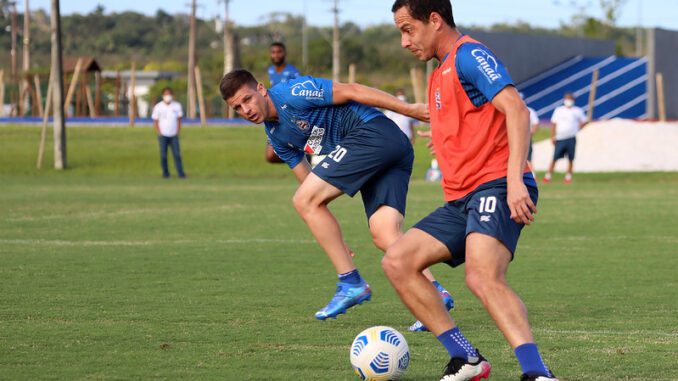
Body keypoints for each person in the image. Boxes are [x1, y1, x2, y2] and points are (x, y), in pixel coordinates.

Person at [385, 1, 558, 380]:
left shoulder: (469, 54)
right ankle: (467, 359)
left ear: (434, 20)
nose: (404, 41)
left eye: (407, 29)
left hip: (496, 184)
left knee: (482, 277)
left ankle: (537, 373)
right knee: (398, 261)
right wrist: (445, 136)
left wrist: (514, 180)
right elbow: (472, 119)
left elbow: (516, 109)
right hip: (462, 198)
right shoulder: (438, 73)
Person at [219, 69, 454, 326]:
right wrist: (330, 236)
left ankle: (350, 282)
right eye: (238, 108)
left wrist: (409, 109)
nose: (246, 109)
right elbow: (308, 182)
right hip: (385, 151)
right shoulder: (276, 137)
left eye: (247, 99)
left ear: (261, 89)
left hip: (373, 134)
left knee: (304, 201)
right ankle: (435, 294)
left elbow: (353, 89)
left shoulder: (292, 92)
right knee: (383, 232)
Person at [265, 42, 302, 163]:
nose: (276, 55)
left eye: (279, 52)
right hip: (275, 118)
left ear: (284, 53)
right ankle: (303, 158)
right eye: (273, 52)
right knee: (270, 156)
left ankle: (305, 160)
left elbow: (301, 92)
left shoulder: (292, 72)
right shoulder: (270, 71)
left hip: (291, 117)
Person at [543, 93, 587, 184]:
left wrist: (577, 128)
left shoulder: (577, 110)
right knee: (555, 158)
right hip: (560, 137)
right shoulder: (559, 110)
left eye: (570, 99)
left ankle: (568, 177)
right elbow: (553, 124)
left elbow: (584, 121)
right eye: (567, 99)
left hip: (571, 137)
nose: (568, 101)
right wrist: (552, 136)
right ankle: (548, 176)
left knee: (571, 158)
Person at [151, 87, 186, 179]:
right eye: (166, 94)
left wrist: (177, 131)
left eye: (169, 94)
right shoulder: (158, 107)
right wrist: (159, 132)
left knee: (177, 155)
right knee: (163, 155)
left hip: (174, 135)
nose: (168, 96)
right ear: (163, 95)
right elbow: (155, 121)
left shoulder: (177, 106)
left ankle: (181, 174)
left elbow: (179, 120)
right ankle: (166, 174)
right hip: (163, 135)